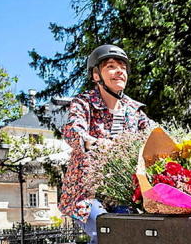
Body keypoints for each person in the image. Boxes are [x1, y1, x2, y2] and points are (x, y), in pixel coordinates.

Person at [58, 44, 153, 217]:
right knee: (101, 229)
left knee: (137, 234)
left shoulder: (133, 109)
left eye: (123, 68)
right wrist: (88, 140)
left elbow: (155, 133)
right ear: (96, 75)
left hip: (123, 192)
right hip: (88, 193)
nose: (119, 72)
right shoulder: (84, 102)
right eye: (111, 67)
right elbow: (73, 127)